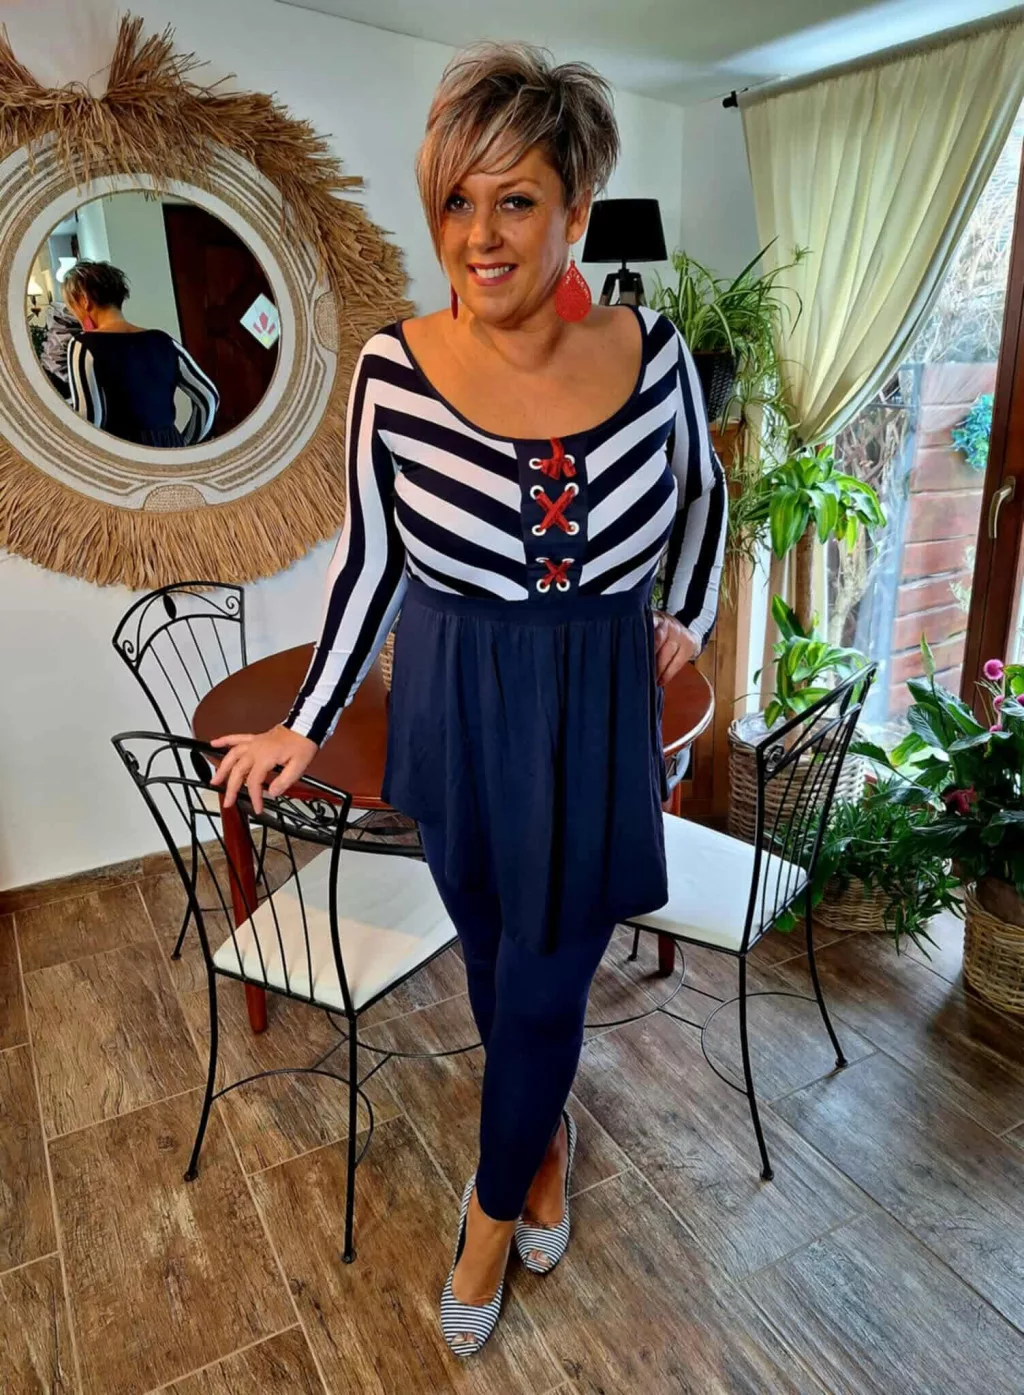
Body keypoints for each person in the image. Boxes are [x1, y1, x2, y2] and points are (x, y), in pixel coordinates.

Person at [210, 42, 726, 1358]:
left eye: (514, 200)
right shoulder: (393, 369)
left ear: (574, 212)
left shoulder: (655, 353)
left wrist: (687, 608)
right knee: (495, 956)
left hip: (593, 701)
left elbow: (703, 494)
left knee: (552, 971)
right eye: (456, 201)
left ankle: (488, 1216)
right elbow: (372, 565)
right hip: (453, 693)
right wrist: (309, 720)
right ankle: (541, 1147)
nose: (479, 235)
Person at [62, 260, 219, 447]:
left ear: (84, 300)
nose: (75, 315)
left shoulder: (83, 345)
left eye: (72, 307)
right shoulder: (164, 341)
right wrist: (184, 443)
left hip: (124, 451)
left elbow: (88, 419)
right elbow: (209, 397)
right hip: (170, 448)